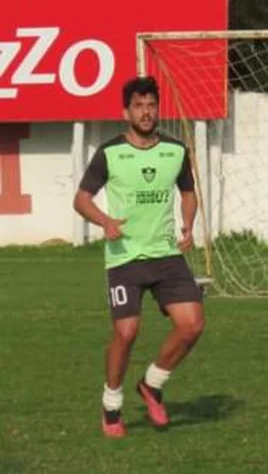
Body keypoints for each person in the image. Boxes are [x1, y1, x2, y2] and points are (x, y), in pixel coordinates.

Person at [73, 76, 205, 438]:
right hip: (125, 258)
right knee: (127, 332)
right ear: (125, 112)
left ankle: (151, 384)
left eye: (151, 105)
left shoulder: (175, 150)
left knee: (192, 324)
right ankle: (111, 404)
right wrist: (105, 221)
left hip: (166, 254)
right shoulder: (109, 153)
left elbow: (188, 191)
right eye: (138, 106)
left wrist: (188, 224)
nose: (146, 112)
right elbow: (81, 199)